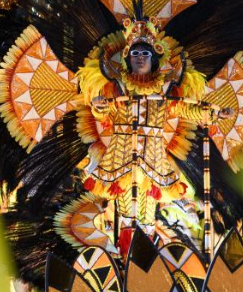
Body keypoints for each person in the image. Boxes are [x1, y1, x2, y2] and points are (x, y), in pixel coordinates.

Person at [81, 22, 232, 254]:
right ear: (128, 58)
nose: (140, 58)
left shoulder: (164, 91)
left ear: (154, 58)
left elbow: (186, 110)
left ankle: (144, 263)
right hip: (121, 162)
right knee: (125, 216)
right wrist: (99, 106)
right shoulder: (119, 87)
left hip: (152, 163)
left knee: (146, 218)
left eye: (145, 53)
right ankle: (123, 258)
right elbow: (104, 109)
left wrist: (214, 114)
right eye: (135, 53)